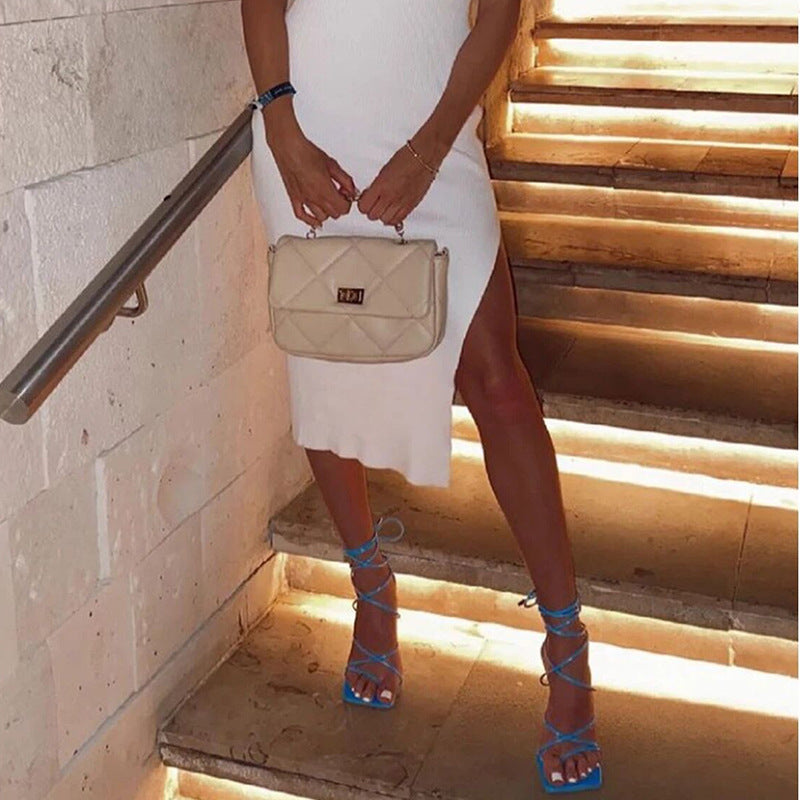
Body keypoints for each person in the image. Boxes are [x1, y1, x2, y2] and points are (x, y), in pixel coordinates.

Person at [241, 0, 602, 792]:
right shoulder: (291, 130)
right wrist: (281, 128)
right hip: (308, 123)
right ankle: (371, 586)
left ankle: (566, 639)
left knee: (498, 386)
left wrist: (431, 147)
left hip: (432, 127)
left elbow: (498, 14)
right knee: (324, 358)